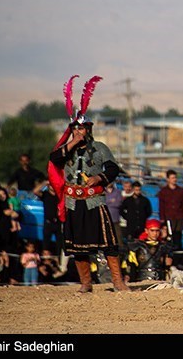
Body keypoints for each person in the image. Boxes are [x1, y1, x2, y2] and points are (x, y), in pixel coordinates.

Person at [47, 74, 128, 292]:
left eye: (82, 129)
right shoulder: (65, 150)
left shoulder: (100, 148)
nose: (78, 131)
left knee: (109, 244)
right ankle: (86, 283)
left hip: (94, 201)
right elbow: (54, 160)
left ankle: (118, 281)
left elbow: (112, 168)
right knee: (78, 248)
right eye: (75, 128)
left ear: (89, 129)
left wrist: (98, 178)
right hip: (74, 202)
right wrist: (72, 142)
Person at [156, 170, 183, 250]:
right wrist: (162, 219)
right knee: (169, 237)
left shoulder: (180, 191)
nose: (174, 179)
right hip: (168, 218)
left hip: (179, 218)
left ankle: (178, 254)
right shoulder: (163, 191)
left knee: (178, 237)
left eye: (175, 177)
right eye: (172, 178)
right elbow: (161, 206)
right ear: (168, 179)